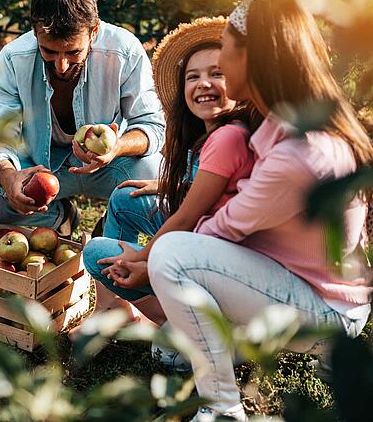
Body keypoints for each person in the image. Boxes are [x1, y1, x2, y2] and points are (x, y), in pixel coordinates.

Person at [105, 0, 373, 421]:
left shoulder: (298, 152)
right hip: (299, 283)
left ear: (254, 59)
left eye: (227, 49)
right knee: (172, 261)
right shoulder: (282, 122)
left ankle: (221, 408)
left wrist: (147, 264)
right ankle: (219, 341)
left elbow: (219, 229)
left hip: (325, 311)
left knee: (173, 254)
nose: (220, 60)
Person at [81, 17, 260, 330]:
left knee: (97, 253)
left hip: (214, 256)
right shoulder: (214, 134)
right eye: (193, 77)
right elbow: (214, 186)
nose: (203, 83)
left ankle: (178, 321)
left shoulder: (227, 138)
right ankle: (115, 309)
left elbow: (186, 219)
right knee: (125, 197)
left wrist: (142, 262)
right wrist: (168, 184)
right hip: (205, 243)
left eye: (216, 73)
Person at [0, 0, 165, 235]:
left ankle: (113, 222)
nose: (61, 66)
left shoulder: (125, 51)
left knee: (154, 174)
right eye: (50, 52)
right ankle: (60, 217)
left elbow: (152, 125)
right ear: (35, 33)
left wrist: (116, 147)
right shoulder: (14, 57)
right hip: (41, 164)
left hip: (108, 166)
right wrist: (9, 177)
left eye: (73, 52)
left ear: (94, 31)